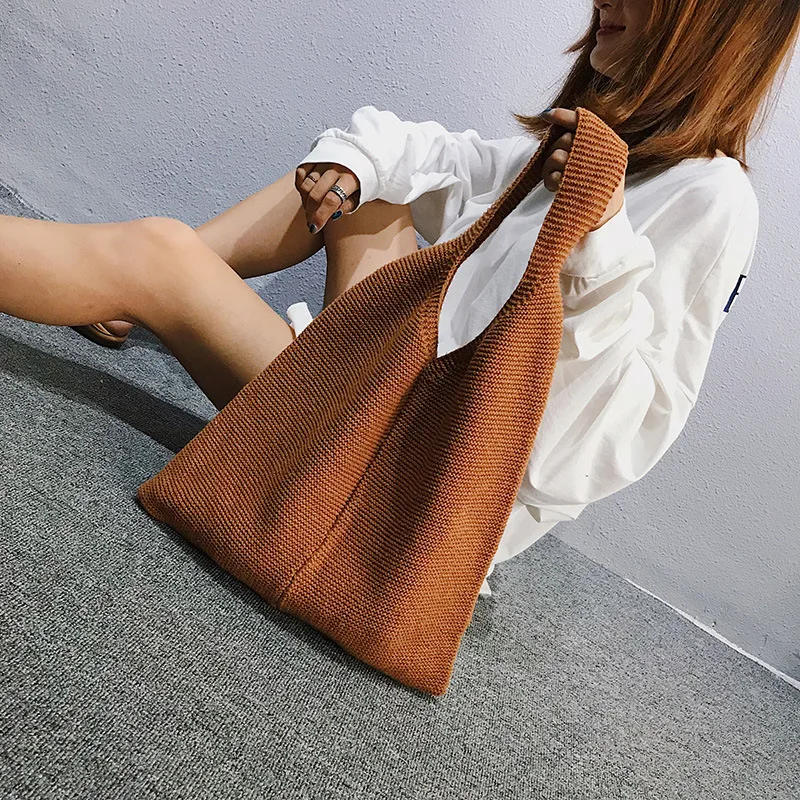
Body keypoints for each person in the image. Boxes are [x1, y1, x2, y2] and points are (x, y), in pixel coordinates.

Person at [1, 1, 796, 596]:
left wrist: (600, 246)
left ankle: (130, 286)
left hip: (407, 500)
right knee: (364, 190)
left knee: (157, 255)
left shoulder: (713, 200)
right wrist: (352, 164)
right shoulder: (607, 148)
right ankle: (118, 298)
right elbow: (444, 158)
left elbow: (600, 447)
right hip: (395, 414)